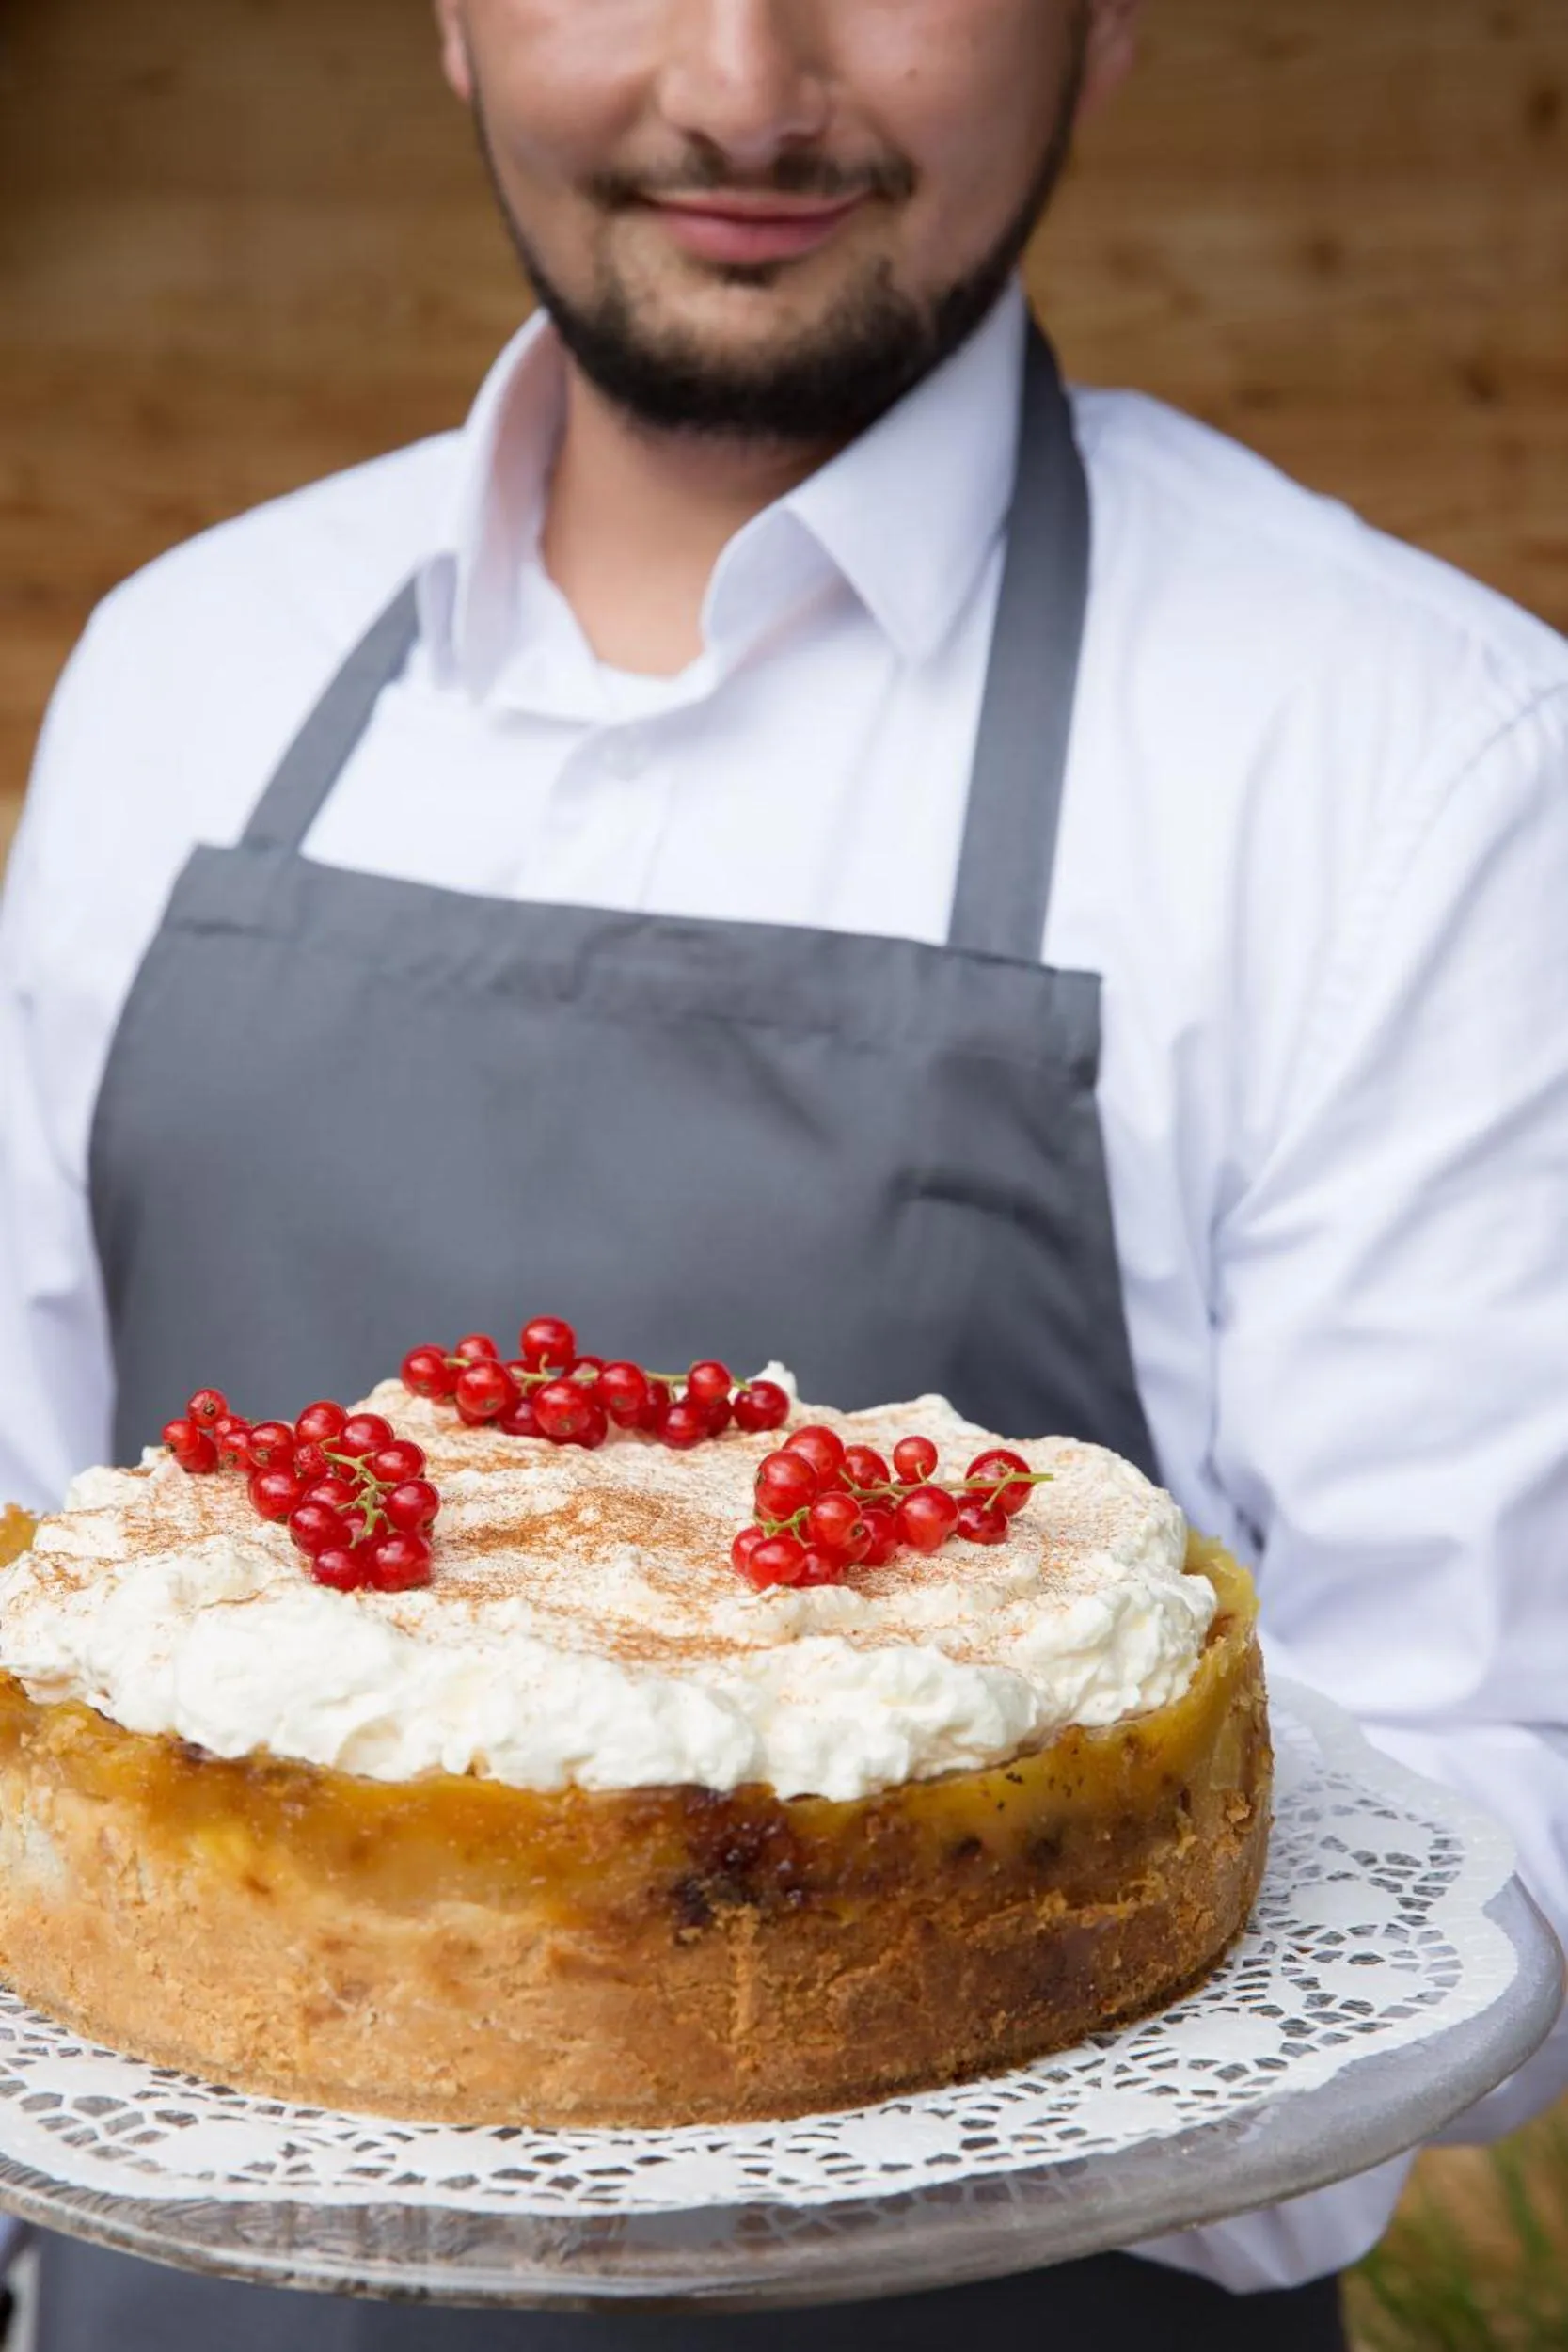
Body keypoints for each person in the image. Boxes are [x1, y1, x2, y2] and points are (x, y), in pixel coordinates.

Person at [1, 0, 1565, 2344]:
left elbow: (1488, 1813)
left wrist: (818, 2016)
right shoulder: (180, 668)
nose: (741, 86)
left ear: (1101, 24)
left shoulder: (1406, 753)